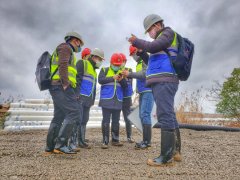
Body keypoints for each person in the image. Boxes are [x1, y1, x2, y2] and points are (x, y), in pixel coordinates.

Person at [128, 14, 181, 166]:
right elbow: (152, 61)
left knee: (165, 115)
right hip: (162, 79)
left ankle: (166, 157)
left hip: (165, 79)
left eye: (149, 30)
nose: (149, 33)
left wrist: (136, 41)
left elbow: (153, 47)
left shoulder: (168, 33)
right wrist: (142, 52)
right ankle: (176, 152)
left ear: (157, 25)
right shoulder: (161, 42)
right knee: (169, 114)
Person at [44, 32, 84, 154]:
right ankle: (60, 144)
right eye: (79, 43)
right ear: (75, 40)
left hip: (57, 86)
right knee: (74, 112)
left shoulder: (65, 49)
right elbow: (63, 65)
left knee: (59, 116)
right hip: (61, 86)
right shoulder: (65, 47)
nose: (79, 46)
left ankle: (50, 147)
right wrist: (66, 84)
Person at [69, 48, 105, 150]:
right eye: (100, 59)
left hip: (88, 99)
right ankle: (73, 142)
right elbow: (77, 79)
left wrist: (92, 100)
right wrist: (76, 94)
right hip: (80, 97)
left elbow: (92, 87)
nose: (100, 61)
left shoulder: (94, 71)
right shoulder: (82, 63)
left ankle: (81, 141)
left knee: (84, 120)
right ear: (94, 57)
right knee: (78, 120)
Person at [122, 45, 154, 149]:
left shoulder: (145, 59)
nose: (133, 56)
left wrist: (130, 74)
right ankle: (145, 140)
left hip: (148, 90)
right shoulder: (139, 63)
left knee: (145, 114)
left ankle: (147, 141)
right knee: (142, 115)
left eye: (133, 54)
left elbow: (144, 74)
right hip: (143, 91)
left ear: (137, 51)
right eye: (131, 55)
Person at [98, 53, 127, 149]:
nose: (117, 67)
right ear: (111, 63)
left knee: (116, 121)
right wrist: (112, 78)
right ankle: (105, 141)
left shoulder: (122, 72)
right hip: (106, 99)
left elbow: (125, 86)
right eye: (115, 65)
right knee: (106, 120)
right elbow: (100, 80)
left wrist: (121, 80)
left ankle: (115, 140)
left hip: (117, 100)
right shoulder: (104, 70)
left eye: (118, 65)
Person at [119, 53, 134, 143]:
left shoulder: (129, 70)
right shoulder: (116, 71)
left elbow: (130, 84)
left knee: (127, 118)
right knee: (115, 118)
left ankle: (129, 137)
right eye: (120, 61)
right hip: (118, 97)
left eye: (123, 61)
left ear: (125, 62)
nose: (122, 63)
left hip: (127, 97)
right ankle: (115, 137)